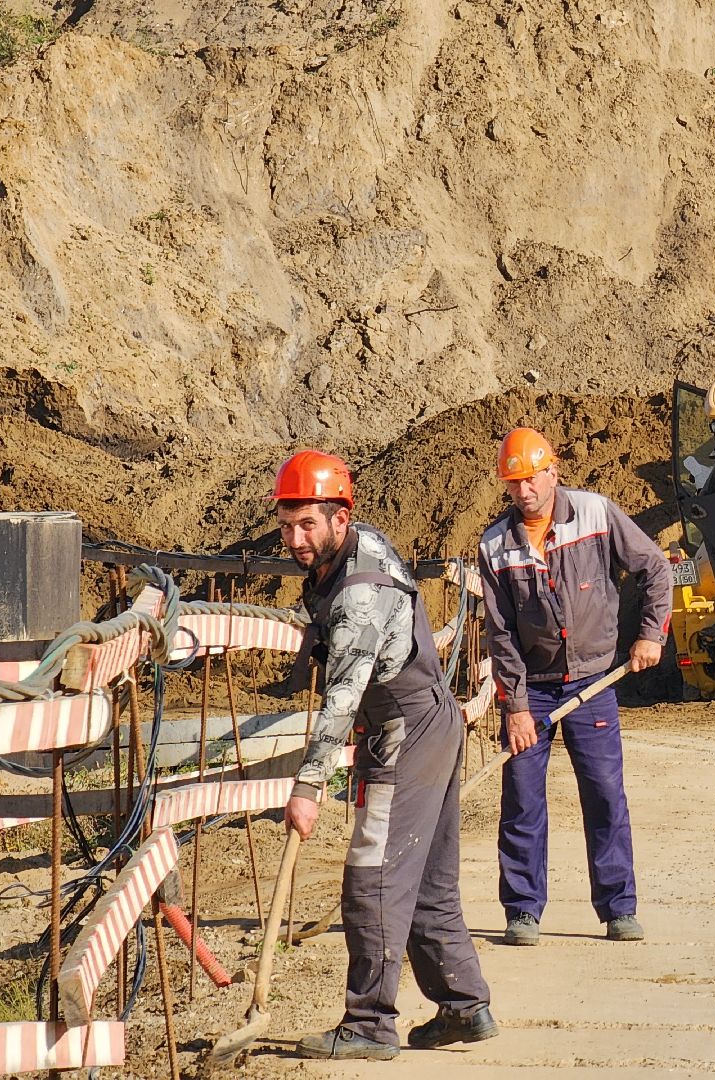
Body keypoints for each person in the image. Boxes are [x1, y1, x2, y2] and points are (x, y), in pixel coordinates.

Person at [273, 449, 495, 1060]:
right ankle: (464, 1006)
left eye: (307, 524)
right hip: (429, 718)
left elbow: (341, 699)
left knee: (372, 875)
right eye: (287, 524)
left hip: (404, 730)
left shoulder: (358, 595)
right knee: (424, 878)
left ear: (340, 517)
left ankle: (370, 1024)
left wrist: (308, 786)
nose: (294, 538)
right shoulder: (357, 548)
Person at [477, 428, 672, 945]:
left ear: (552, 472)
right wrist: (515, 707)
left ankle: (618, 908)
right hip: (532, 692)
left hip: (594, 681)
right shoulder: (495, 546)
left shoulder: (595, 513)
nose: (524, 491)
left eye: (532, 477)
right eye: (514, 482)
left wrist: (650, 635)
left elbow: (655, 568)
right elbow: (500, 633)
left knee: (606, 795)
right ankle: (522, 910)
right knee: (521, 798)